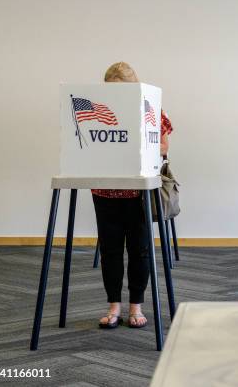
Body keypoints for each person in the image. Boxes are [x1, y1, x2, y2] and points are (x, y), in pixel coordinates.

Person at [93, 62, 173, 329]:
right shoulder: (97, 109)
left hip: (138, 191)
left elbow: (163, 147)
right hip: (105, 188)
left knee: (139, 250)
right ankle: (113, 305)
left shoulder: (149, 107)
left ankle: (136, 305)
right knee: (110, 249)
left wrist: (140, 141)